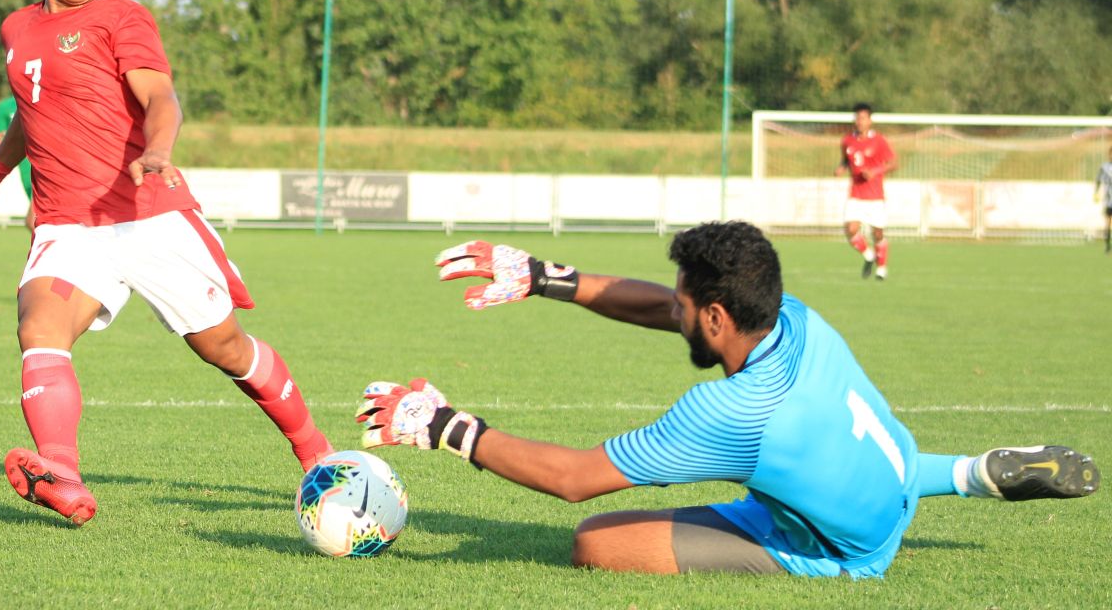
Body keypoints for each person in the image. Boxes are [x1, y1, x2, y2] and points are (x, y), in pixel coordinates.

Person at [355, 225, 1099, 578]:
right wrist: (548, 277)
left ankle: (855, 534)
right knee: (864, 464)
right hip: (893, 467)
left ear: (716, 316)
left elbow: (574, 479)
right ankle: (971, 472)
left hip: (846, 546)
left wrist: (447, 427)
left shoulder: (731, 415)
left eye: (684, 301)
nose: (670, 307)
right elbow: (669, 312)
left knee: (595, 541)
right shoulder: (793, 316)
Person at [0, 0, 333, 526]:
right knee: (38, 326)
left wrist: (159, 148)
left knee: (226, 349)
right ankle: (62, 474)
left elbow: (160, 96)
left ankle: (315, 451)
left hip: (148, 218)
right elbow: (31, 113)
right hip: (70, 222)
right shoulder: (18, 28)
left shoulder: (121, 17)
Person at [835, 102, 897, 280]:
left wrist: (874, 172)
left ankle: (881, 268)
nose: (860, 121)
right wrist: (841, 167)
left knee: (877, 233)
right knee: (851, 229)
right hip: (856, 194)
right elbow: (846, 160)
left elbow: (893, 163)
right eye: (857, 118)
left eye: (864, 118)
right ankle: (869, 255)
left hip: (875, 195)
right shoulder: (847, 140)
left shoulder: (879, 140)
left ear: (870, 120)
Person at [0, 94, 36, 230]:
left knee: (33, 221)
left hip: (47, 170)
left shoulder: (47, 96)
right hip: (25, 170)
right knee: (37, 223)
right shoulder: (5, 106)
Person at [1095, 146, 1112, 254]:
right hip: (1108, 201)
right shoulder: (1104, 167)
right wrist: (1096, 192)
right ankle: (1107, 246)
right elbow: (1098, 180)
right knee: (1107, 223)